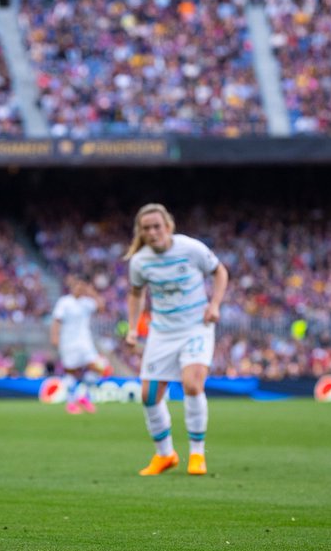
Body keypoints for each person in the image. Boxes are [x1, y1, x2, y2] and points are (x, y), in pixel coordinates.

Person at [123, 203, 228, 476]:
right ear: (141, 232)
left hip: (196, 327)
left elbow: (220, 272)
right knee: (148, 396)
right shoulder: (140, 261)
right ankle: (165, 454)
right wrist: (133, 328)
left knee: (193, 384)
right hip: (162, 332)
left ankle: (197, 454)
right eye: (146, 228)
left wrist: (215, 304)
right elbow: (136, 295)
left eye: (157, 226)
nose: (152, 231)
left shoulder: (190, 249)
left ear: (168, 226)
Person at [50, 275, 104, 414]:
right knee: (71, 372)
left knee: (97, 368)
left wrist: (92, 292)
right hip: (68, 342)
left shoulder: (87, 302)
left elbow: (101, 307)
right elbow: (56, 321)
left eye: (82, 286)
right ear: (73, 287)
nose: (80, 289)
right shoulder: (64, 302)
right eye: (78, 286)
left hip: (85, 342)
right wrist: (55, 337)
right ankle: (71, 402)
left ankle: (83, 397)